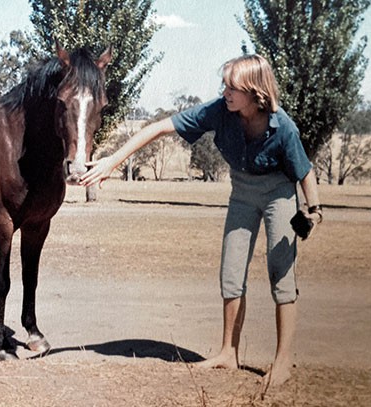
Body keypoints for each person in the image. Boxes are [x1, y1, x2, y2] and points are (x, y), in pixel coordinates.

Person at [80, 54, 323, 388]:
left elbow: (305, 173)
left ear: (254, 91)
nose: (225, 91)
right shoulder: (219, 111)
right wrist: (113, 160)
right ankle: (228, 353)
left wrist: (314, 212)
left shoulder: (283, 127)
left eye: (232, 87)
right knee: (231, 271)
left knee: (281, 273)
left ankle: (282, 362)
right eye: (224, 84)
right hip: (241, 191)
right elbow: (160, 127)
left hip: (279, 194)